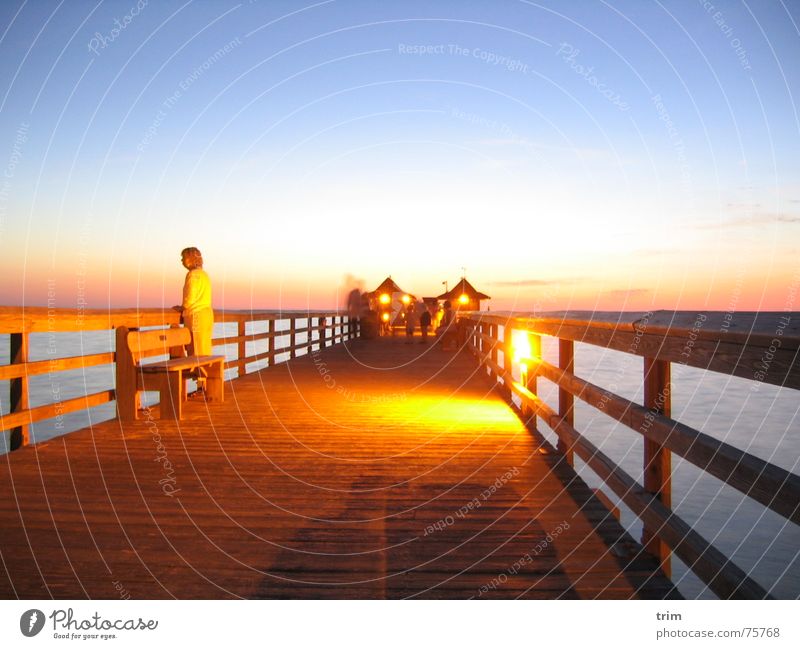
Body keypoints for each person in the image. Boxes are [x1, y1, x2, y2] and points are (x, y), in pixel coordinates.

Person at [173, 247, 213, 390]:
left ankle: (202, 385)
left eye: (183, 257)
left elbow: (190, 296)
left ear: (190, 259)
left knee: (196, 350)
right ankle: (205, 383)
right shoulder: (204, 275)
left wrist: (183, 307)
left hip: (196, 314)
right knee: (204, 348)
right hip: (206, 314)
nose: (182, 260)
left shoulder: (193, 275)